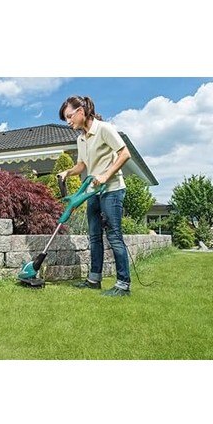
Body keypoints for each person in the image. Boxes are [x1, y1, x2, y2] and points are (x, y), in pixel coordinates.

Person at [58, 95, 132, 297]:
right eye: (66, 119)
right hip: (93, 191)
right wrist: (67, 172)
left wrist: (106, 175)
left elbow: (124, 154)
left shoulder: (104, 129)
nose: (68, 122)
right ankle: (94, 279)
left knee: (114, 236)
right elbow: (82, 165)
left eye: (69, 116)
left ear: (81, 111)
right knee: (94, 237)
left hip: (112, 189)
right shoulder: (80, 139)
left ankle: (123, 284)